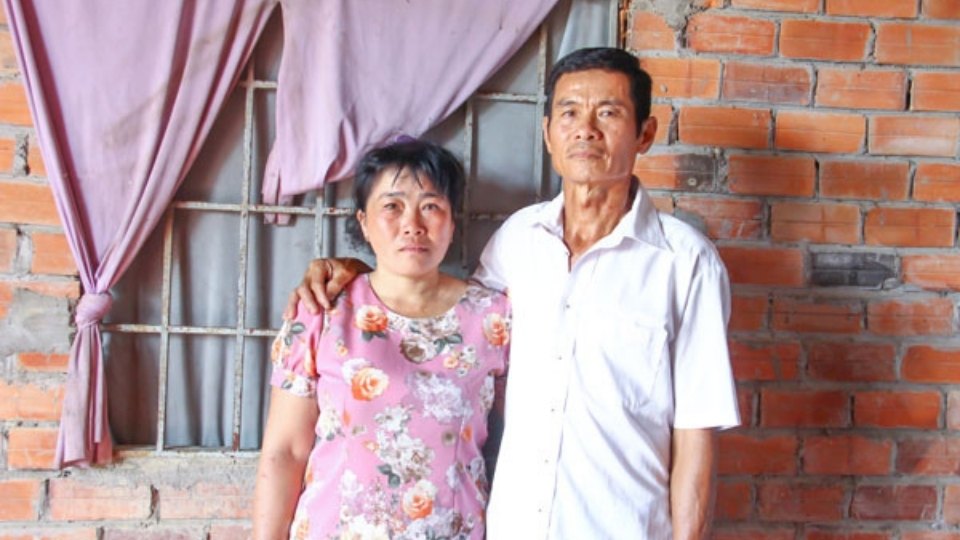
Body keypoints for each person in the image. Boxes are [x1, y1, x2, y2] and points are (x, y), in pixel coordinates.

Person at [287, 47, 739, 540]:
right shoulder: (519, 240)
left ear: (645, 134)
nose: (585, 130)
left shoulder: (686, 263)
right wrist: (356, 276)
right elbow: (437, 310)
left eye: (608, 113)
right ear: (548, 133)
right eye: (569, 113)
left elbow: (696, 436)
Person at [254, 139, 511, 540]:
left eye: (431, 206)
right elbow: (285, 451)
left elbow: (527, 438)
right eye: (392, 206)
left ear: (452, 222)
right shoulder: (322, 310)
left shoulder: (494, 318)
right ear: (363, 221)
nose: (413, 224)